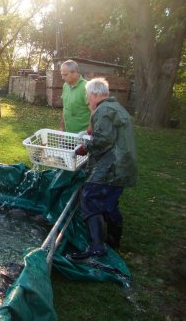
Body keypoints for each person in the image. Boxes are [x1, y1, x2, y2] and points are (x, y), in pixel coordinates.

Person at [70, 78, 137, 260]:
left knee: (90, 196)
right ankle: (113, 240)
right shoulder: (116, 107)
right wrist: (90, 134)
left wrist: (84, 147)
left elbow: (103, 140)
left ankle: (96, 247)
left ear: (95, 94)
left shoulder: (104, 109)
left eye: (87, 95)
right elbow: (108, 133)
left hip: (112, 165)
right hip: (123, 165)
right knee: (108, 202)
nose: (87, 100)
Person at [59, 60, 91, 133]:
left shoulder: (86, 87)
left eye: (65, 75)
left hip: (82, 136)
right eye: (62, 75)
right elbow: (65, 108)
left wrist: (88, 132)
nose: (62, 78)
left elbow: (94, 112)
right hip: (68, 134)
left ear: (75, 73)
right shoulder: (65, 86)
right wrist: (61, 126)